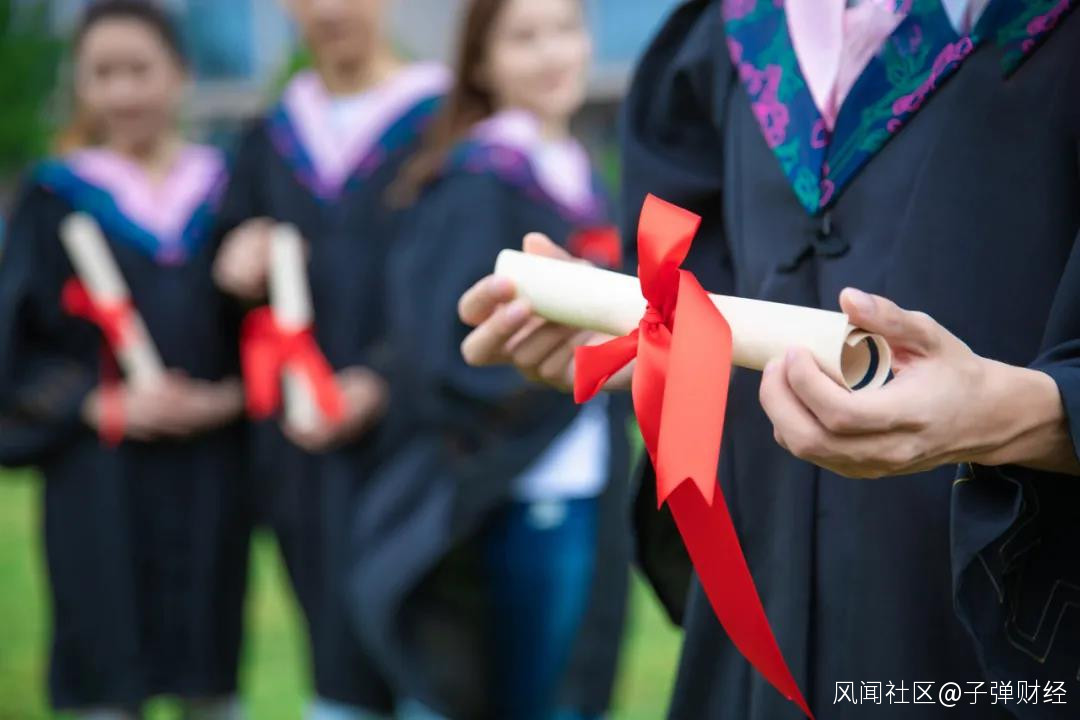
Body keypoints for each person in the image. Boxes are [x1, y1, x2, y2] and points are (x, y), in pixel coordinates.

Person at [457, 0, 1080, 718]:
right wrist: (637, 338)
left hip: (984, 635)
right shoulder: (731, 31)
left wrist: (1027, 416)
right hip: (763, 595)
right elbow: (700, 294)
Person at [344, 1, 633, 718]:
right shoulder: (478, 178)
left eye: (564, 30)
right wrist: (576, 371)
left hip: (584, 477)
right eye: (524, 38)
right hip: (518, 491)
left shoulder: (575, 168)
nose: (552, 52)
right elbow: (442, 347)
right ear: (481, 63)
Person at [0, 2, 250, 718]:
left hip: (208, 478)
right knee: (106, 671)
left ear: (180, 74)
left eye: (140, 69)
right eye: (102, 74)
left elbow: (273, 326)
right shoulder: (55, 197)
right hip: (97, 481)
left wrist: (227, 398)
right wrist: (97, 402)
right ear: (80, 84)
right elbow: (14, 348)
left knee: (209, 675)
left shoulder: (228, 187)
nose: (123, 91)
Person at [211, 1, 448, 717]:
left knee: (433, 651)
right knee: (335, 657)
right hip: (309, 452)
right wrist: (234, 261)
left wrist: (381, 378)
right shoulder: (273, 136)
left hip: (424, 439)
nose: (331, 9)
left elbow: (461, 274)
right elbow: (219, 274)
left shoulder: (445, 122)